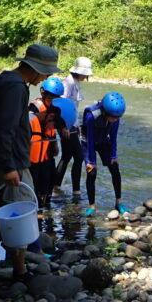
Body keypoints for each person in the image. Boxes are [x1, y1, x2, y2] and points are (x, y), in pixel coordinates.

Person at [0, 43, 61, 289]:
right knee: (20, 214)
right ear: (35, 69)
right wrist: (9, 167)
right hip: (8, 166)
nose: (47, 77)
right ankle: (15, 272)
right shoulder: (15, 89)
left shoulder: (5, 81)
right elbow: (5, 130)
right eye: (46, 72)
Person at [82, 91, 128, 217]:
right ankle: (91, 205)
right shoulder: (92, 116)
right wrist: (91, 162)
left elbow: (113, 137)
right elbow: (90, 139)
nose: (115, 120)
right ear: (105, 112)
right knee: (92, 172)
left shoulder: (115, 117)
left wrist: (113, 156)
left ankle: (118, 202)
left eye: (117, 118)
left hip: (103, 139)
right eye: (113, 117)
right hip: (88, 141)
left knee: (115, 168)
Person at [54, 57, 92, 198]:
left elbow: (73, 108)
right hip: (67, 126)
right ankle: (76, 191)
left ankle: (56, 185)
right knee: (79, 156)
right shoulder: (68, 83)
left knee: (67, 156)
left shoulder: (74, 82)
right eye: (85, 73)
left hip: (72, 125)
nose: (86, 76)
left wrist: (77, 125)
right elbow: (60, 106)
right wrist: (64, 127)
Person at [28, 76, 64, 211]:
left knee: (49, 179)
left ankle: (46, 204)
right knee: (35, 181)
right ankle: (35, 208)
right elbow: (27, 127)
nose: (52, 102)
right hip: (34, 152)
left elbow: (57, 125)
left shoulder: (56, 109)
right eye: (50, 99)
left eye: (55, 99)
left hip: (47, 152)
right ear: (43, 94)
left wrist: (63, 130)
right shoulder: (34, 107)